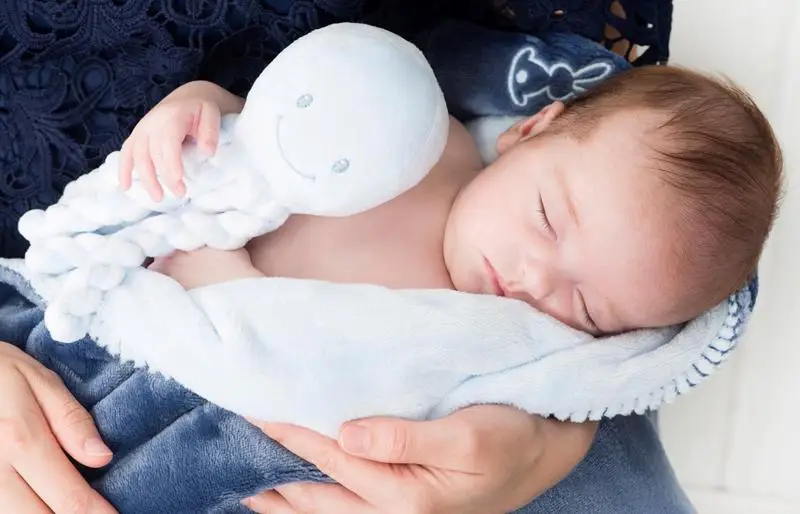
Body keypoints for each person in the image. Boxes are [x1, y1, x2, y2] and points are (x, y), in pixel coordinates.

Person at [0, 64, 781, 513]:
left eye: (586, 309)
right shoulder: (420, 135)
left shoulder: (505, 344)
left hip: (271, 435)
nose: (533, 281)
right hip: (112, 330)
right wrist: (199, 109)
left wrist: (554, 436)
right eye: (545, 219)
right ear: (529, 131)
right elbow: (273, 126)